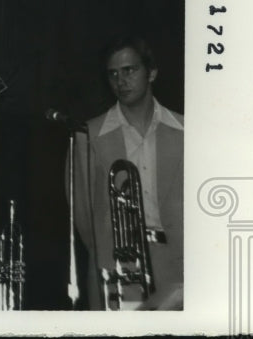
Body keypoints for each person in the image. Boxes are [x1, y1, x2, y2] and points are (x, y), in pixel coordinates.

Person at [68, 36, 183, 310]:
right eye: (114, 74)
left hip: (179, 267)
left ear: (152, 72)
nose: (121, 81)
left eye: (130, 70)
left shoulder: (185, 131)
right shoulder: (89, 135)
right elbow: (84, 219)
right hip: (118, 268)